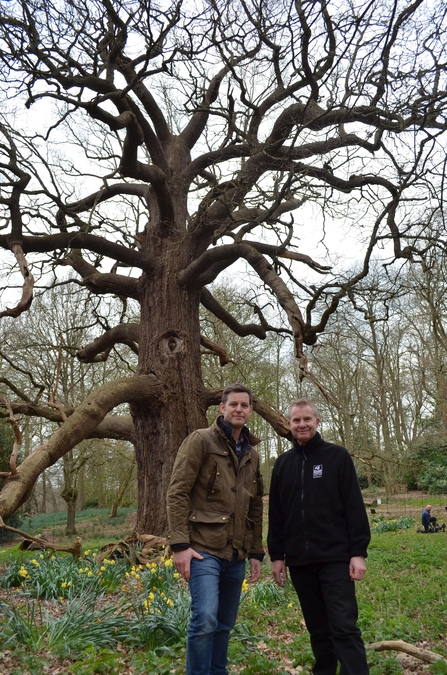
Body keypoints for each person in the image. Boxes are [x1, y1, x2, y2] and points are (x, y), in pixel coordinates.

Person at [166, 383, 264, 675]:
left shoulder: (252, 454)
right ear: (222, 408)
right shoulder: (200, 441)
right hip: (202, 549)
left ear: (250, 411)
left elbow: (256, 506)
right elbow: (177, 492)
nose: (238, 409)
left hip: (236, 552)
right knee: (206, 617)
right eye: (233, 404)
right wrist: (180, 546)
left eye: (244, 405)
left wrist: (256, 551)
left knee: (224, 623)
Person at [268, 398, 370, 675]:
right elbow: (276, 515)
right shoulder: (283, 464)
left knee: (344, 627)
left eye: (307, 419)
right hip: (300, 562)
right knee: (318, 629)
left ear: (317, 422)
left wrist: (357, 552)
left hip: (336, 558)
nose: (302, 424)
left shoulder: (336, 457)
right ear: (289, 425)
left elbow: (354, 507)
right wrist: (277, 556)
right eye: (296, 420)